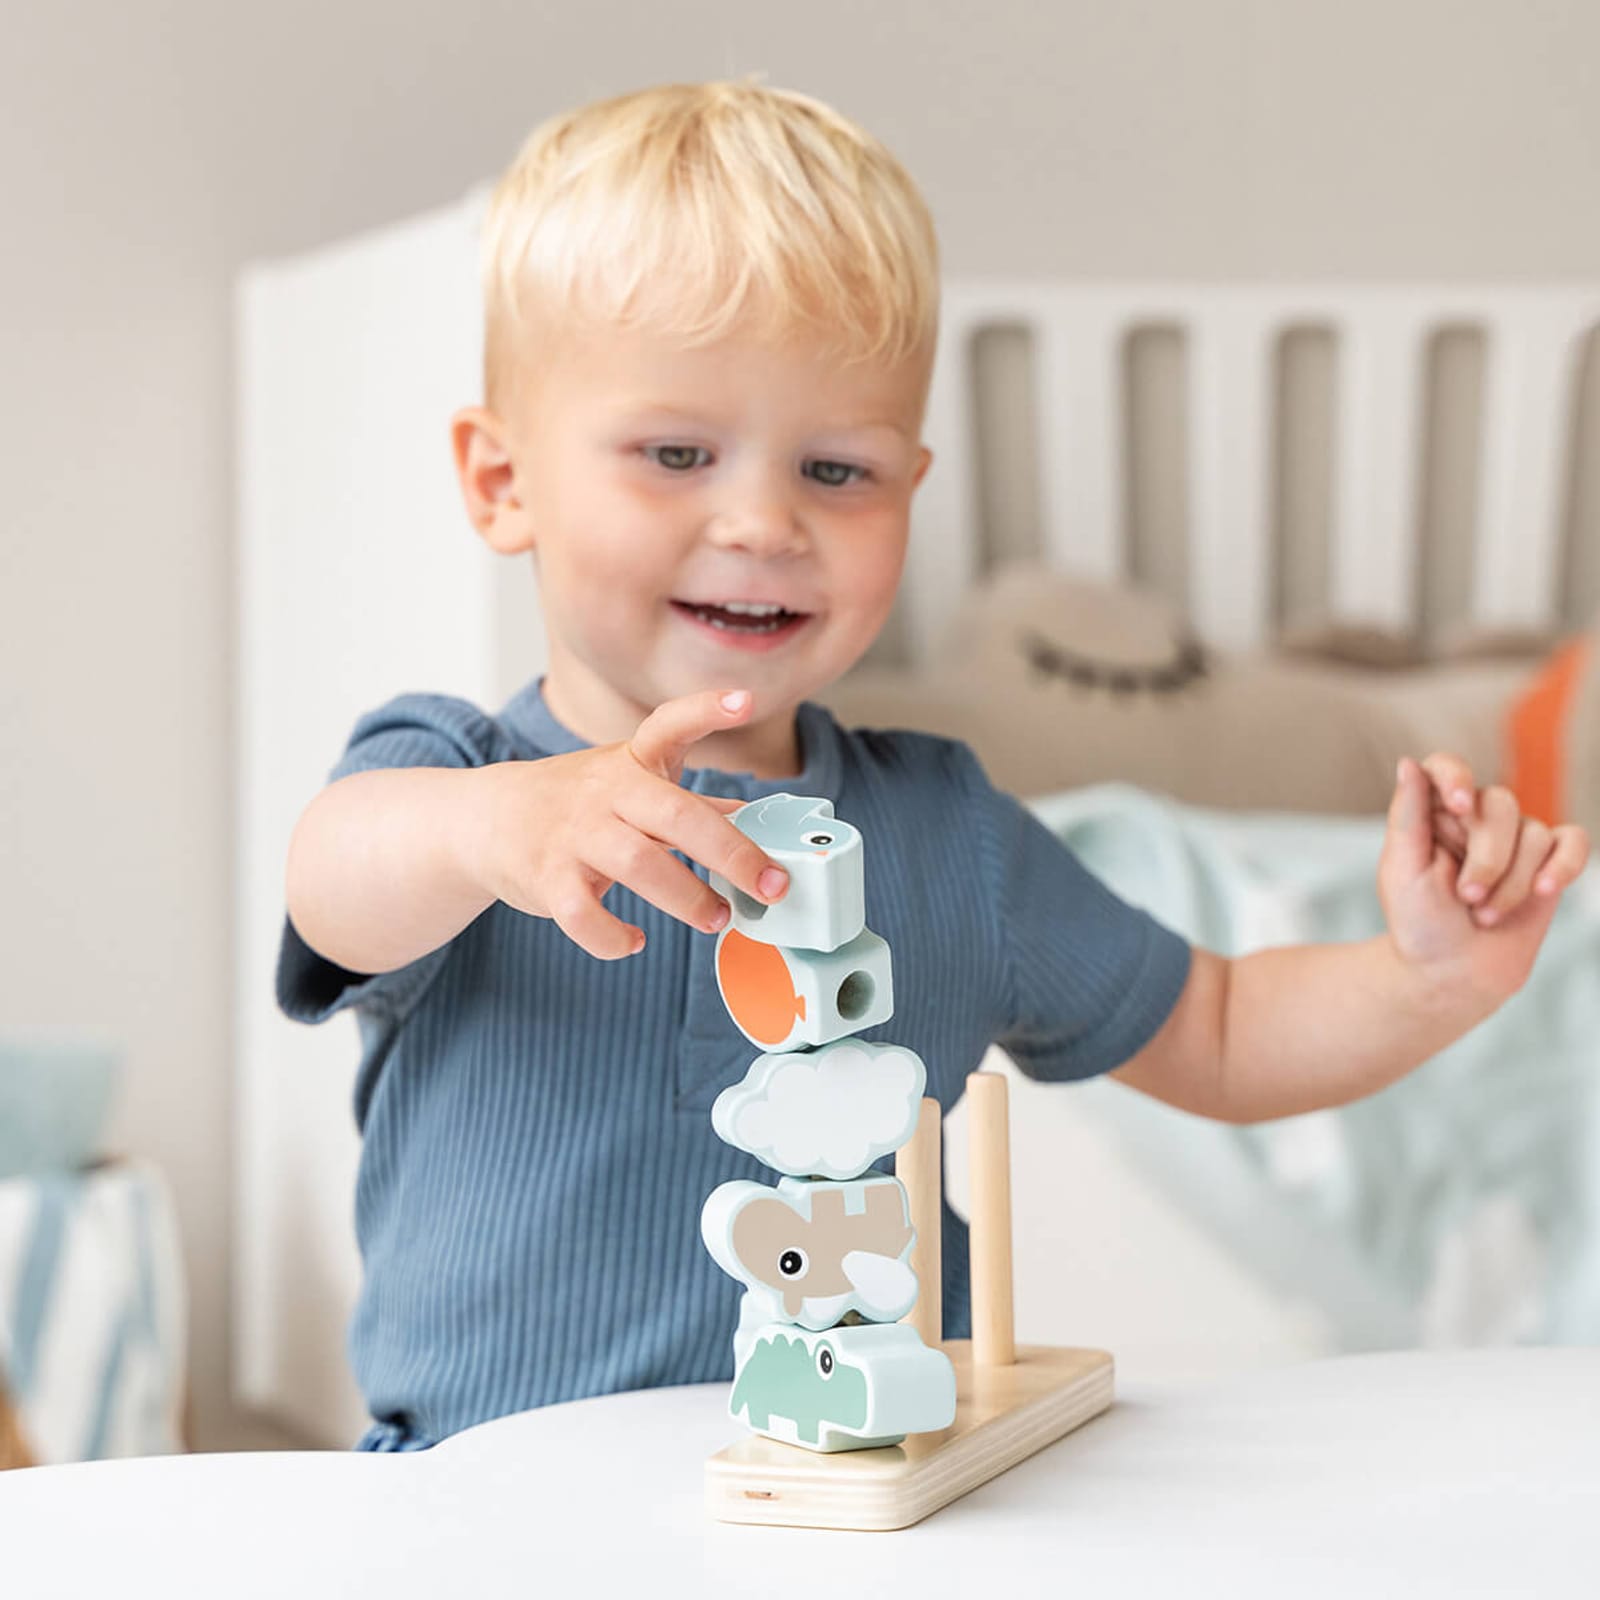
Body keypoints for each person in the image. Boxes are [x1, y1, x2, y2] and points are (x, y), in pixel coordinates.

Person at [278, 79, 1591, 1452]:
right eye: (677, 452)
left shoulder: (944, 832)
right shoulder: (455, 778)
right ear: (502, 483)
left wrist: (1426, 977)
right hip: (494, 1509)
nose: (763, 519)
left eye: (837, 472)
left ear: (911, 483)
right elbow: (333, 885)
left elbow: (1213, 1028)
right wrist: (494, 830)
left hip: (872, 1495)